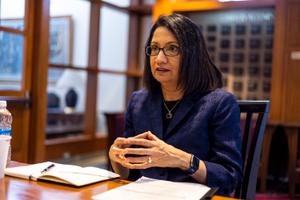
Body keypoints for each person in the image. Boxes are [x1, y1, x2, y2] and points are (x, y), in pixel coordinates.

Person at [109, 13, 242, 196]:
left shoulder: (220, 103)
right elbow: (130, 173)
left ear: (192, 54)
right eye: (154, 48)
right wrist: (117, 158)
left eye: (172, 49)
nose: (159, 59)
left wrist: (181, 159)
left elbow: (229, 177)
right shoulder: (138, 101)